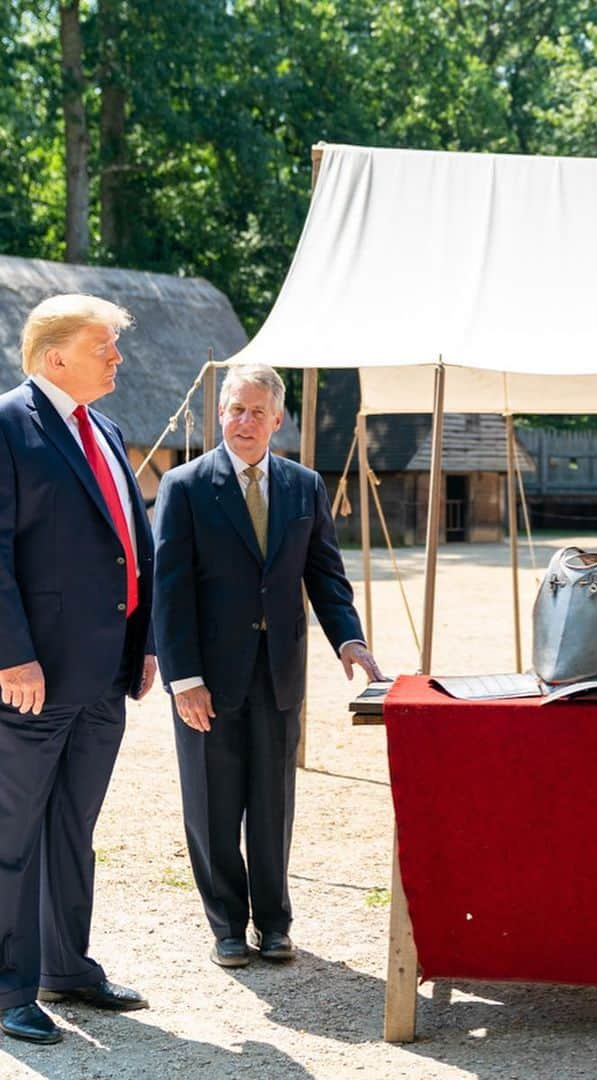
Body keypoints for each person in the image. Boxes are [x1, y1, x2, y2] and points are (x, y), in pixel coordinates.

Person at [153, 362, 384, 968]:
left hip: (280, 672)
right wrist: (184, 680)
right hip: (206, 678)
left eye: (257, 411)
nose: (244, 421)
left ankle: (274, 923)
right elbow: (168, 593)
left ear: (279, 419)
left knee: (273, 798)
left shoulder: (304, 486)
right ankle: (227, 925)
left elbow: (325, 577)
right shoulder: (184, 486)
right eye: (234, 409)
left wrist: (349, 640)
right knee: (212, 800)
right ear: (220, 414)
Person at [0, 294, 157, 1045]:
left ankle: (66, 967)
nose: (118, 359)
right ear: (55, 355)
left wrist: (145, 641)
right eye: (106, 347)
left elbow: (130, 543)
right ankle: (8, 990)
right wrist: (10, 653)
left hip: (105, 674)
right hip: (33, 676)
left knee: (73, 827)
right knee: (12, 834)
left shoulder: (108, 428)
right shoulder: (7, 425)